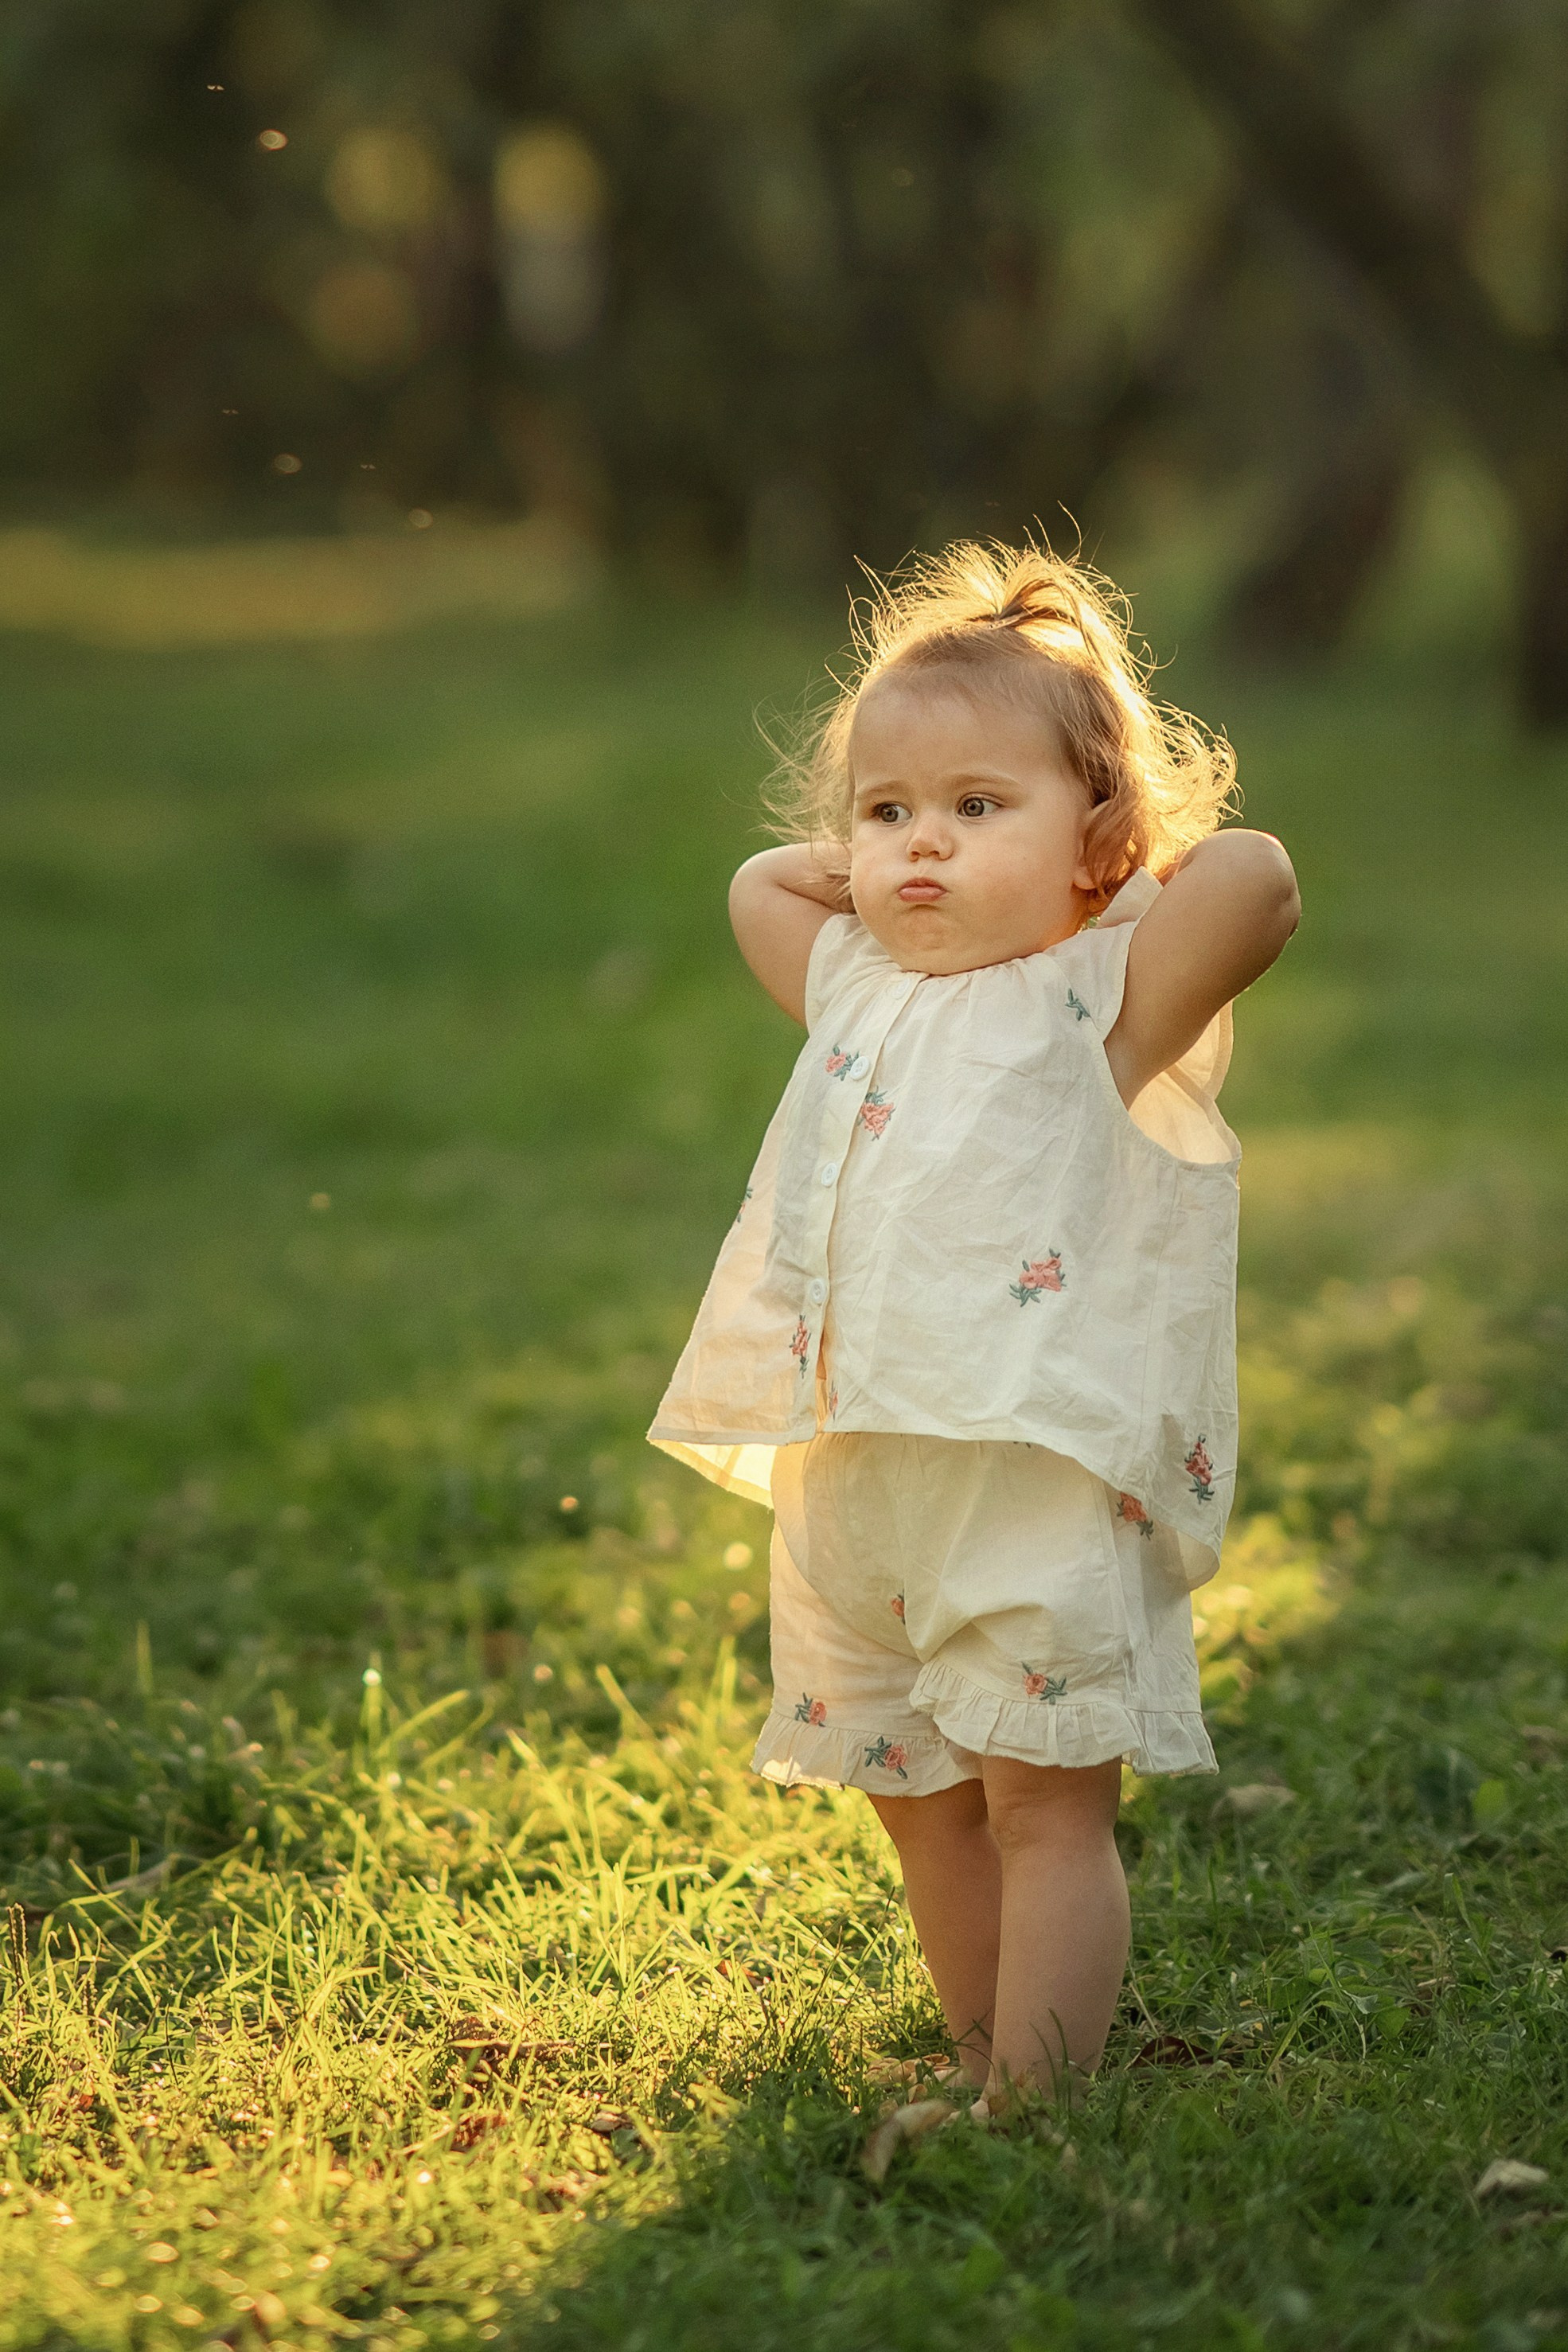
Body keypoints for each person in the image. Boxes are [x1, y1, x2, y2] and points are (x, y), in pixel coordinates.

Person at [648, 540, 1299, 2108]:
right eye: (887, 812)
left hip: (1029, 1476)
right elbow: (760, 885)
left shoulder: (1113, 1003)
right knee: (915, 1797)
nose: (917, 846)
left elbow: (1257, 874)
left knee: (1041, 1806)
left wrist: (1105, 875)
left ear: (1099, 838)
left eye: (973, 807)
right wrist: (920, 853)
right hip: (855, 1472)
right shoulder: (860, 987)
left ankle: (1042, 2097)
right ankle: (975, 2044)